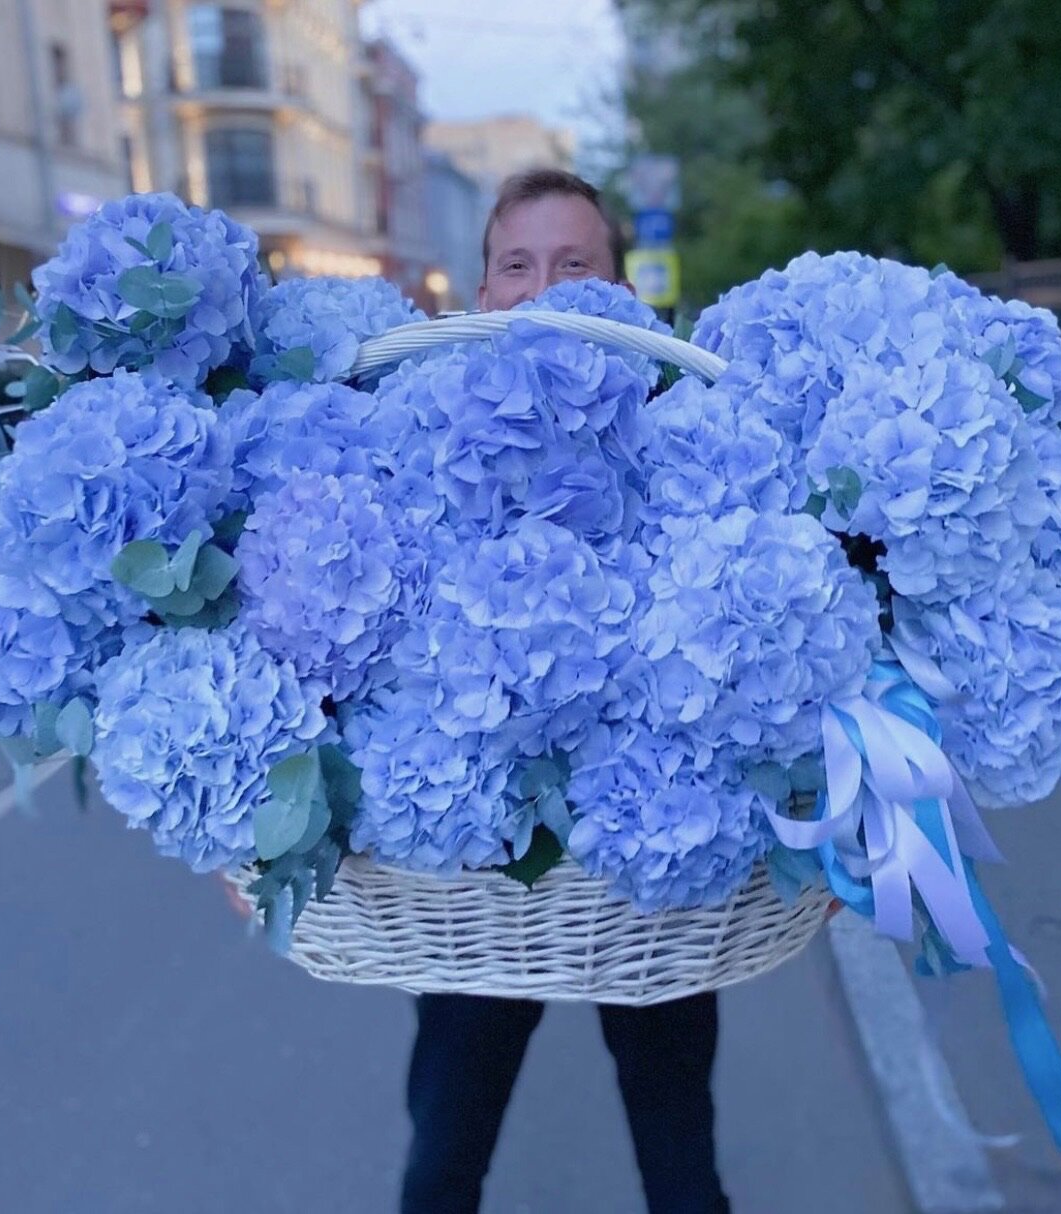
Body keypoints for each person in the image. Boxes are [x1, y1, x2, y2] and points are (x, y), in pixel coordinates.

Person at [399, 168, 732, 1214]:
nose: (543, 289)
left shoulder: (686, 431)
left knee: (681, 1158)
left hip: (650, 871)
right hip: (483, 885)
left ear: (624, 292)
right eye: (518, 265)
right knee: (443, 1155)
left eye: (575, 264)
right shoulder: (414, 437)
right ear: (484, 291)